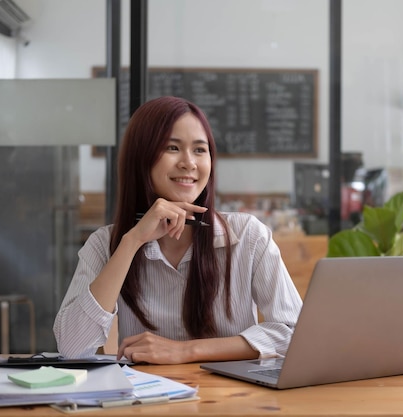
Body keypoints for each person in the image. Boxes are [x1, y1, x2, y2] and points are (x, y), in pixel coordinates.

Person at [54, 96, 303, 364]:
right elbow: (72, 347)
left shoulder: (248, 236)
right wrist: (132, 241)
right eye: (172, 148)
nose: (189, 163)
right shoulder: (105, 243)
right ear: (141, 158)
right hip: (145, 401)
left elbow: (294, 332)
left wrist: (185, 351)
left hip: (231, 400)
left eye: (199, 150)